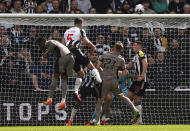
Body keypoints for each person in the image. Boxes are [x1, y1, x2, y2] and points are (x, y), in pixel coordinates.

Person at [91, 41, 140, 125]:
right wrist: (132, 75)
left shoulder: (104, 55)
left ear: (113, 48)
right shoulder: (121, 59)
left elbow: (97, 67)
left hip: (105, 81)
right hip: (114, 81)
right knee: (122, 97)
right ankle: (135, 110)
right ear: (121, 50)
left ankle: (97, 121)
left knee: (100, 101)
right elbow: (124, 74)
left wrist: (104, 72)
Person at [63, 18, 102, 101]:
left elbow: (63, 44)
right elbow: (85, 41)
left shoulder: (66, 32)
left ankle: (76, 92)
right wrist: (93, 46)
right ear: (80, 23)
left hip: (68, 54)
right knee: (91, 66)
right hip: (75, 51)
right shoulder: (81, 30)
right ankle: (99, 81)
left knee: (81, 74)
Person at [35, 37, 75, 110]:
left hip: (62, 57)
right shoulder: (56, 42)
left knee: (55, 78)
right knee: (64, 79)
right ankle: (63, 101)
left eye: (39, 45)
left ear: (41, 42)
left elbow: (52, 44)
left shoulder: (48, 42)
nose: (39, 47)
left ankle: (49, 99)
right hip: (71, 57)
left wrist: (46, 54)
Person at [66, 52, 101, 126]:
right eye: (92, 55)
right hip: (86, 85)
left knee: (100, 102)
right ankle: (70, 120)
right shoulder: (85, 63)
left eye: (95, 55)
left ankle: (97, 121)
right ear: (89, 56)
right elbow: (79, 74)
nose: (94, 56)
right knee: (78, 102)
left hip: (96, 86)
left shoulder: (100, 64)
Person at [125, 40, 148, 124]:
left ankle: (139, 121)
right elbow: (129, 65)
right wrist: (119, 66)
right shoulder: (135, 56)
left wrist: (142, 75)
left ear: (139, 46)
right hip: (136, 80)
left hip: (142, 79)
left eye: (134, 45)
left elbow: (145, 64)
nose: (133, 47)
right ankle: (137, 116)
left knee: (137, 98)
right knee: (128, 96)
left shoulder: (141, 53)